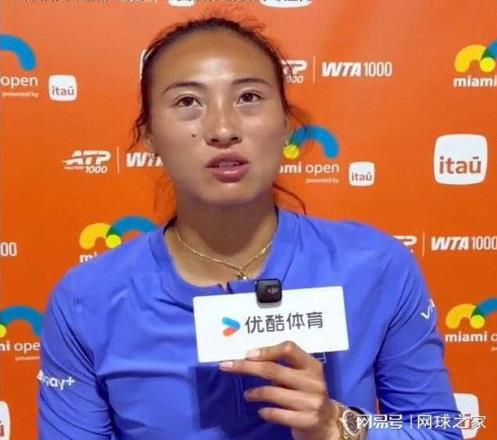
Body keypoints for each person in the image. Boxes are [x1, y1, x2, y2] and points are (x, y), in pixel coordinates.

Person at [38, 16, 463, 440]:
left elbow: (440, 431)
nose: (223, 129)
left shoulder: (375, 267)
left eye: (248, 97)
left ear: (286, 124)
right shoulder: (87, 300)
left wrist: (339, 427)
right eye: (187, 102)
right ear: (149, 135)